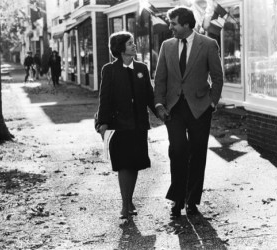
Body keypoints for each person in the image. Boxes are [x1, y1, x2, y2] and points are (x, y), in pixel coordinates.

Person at [154, 6, 223, 219]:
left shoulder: (208, 44)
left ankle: (192, 200)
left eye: (173, 23)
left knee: (198, 153)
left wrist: (212, 102)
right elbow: (160, 79)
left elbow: (217, 77)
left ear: (186, 24)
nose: (170, 27)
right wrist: (159, 104)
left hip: (200, 108)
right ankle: (177, 198)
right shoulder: (167, 46)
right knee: (177, 150)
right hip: (174, 108)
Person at [95, 31, 156, 219]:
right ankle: (124, 204)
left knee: (135, 164)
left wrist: (161, 112)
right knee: (123, 165)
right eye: (130, 43)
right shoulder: (109, 69)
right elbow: (104, 98)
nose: (134, 45)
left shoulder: (142, 68)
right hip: (119, 125)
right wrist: (103, 122)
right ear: (120, 48)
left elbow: (149, 96)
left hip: (138, 125)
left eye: (133, 43)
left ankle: (129, 200)